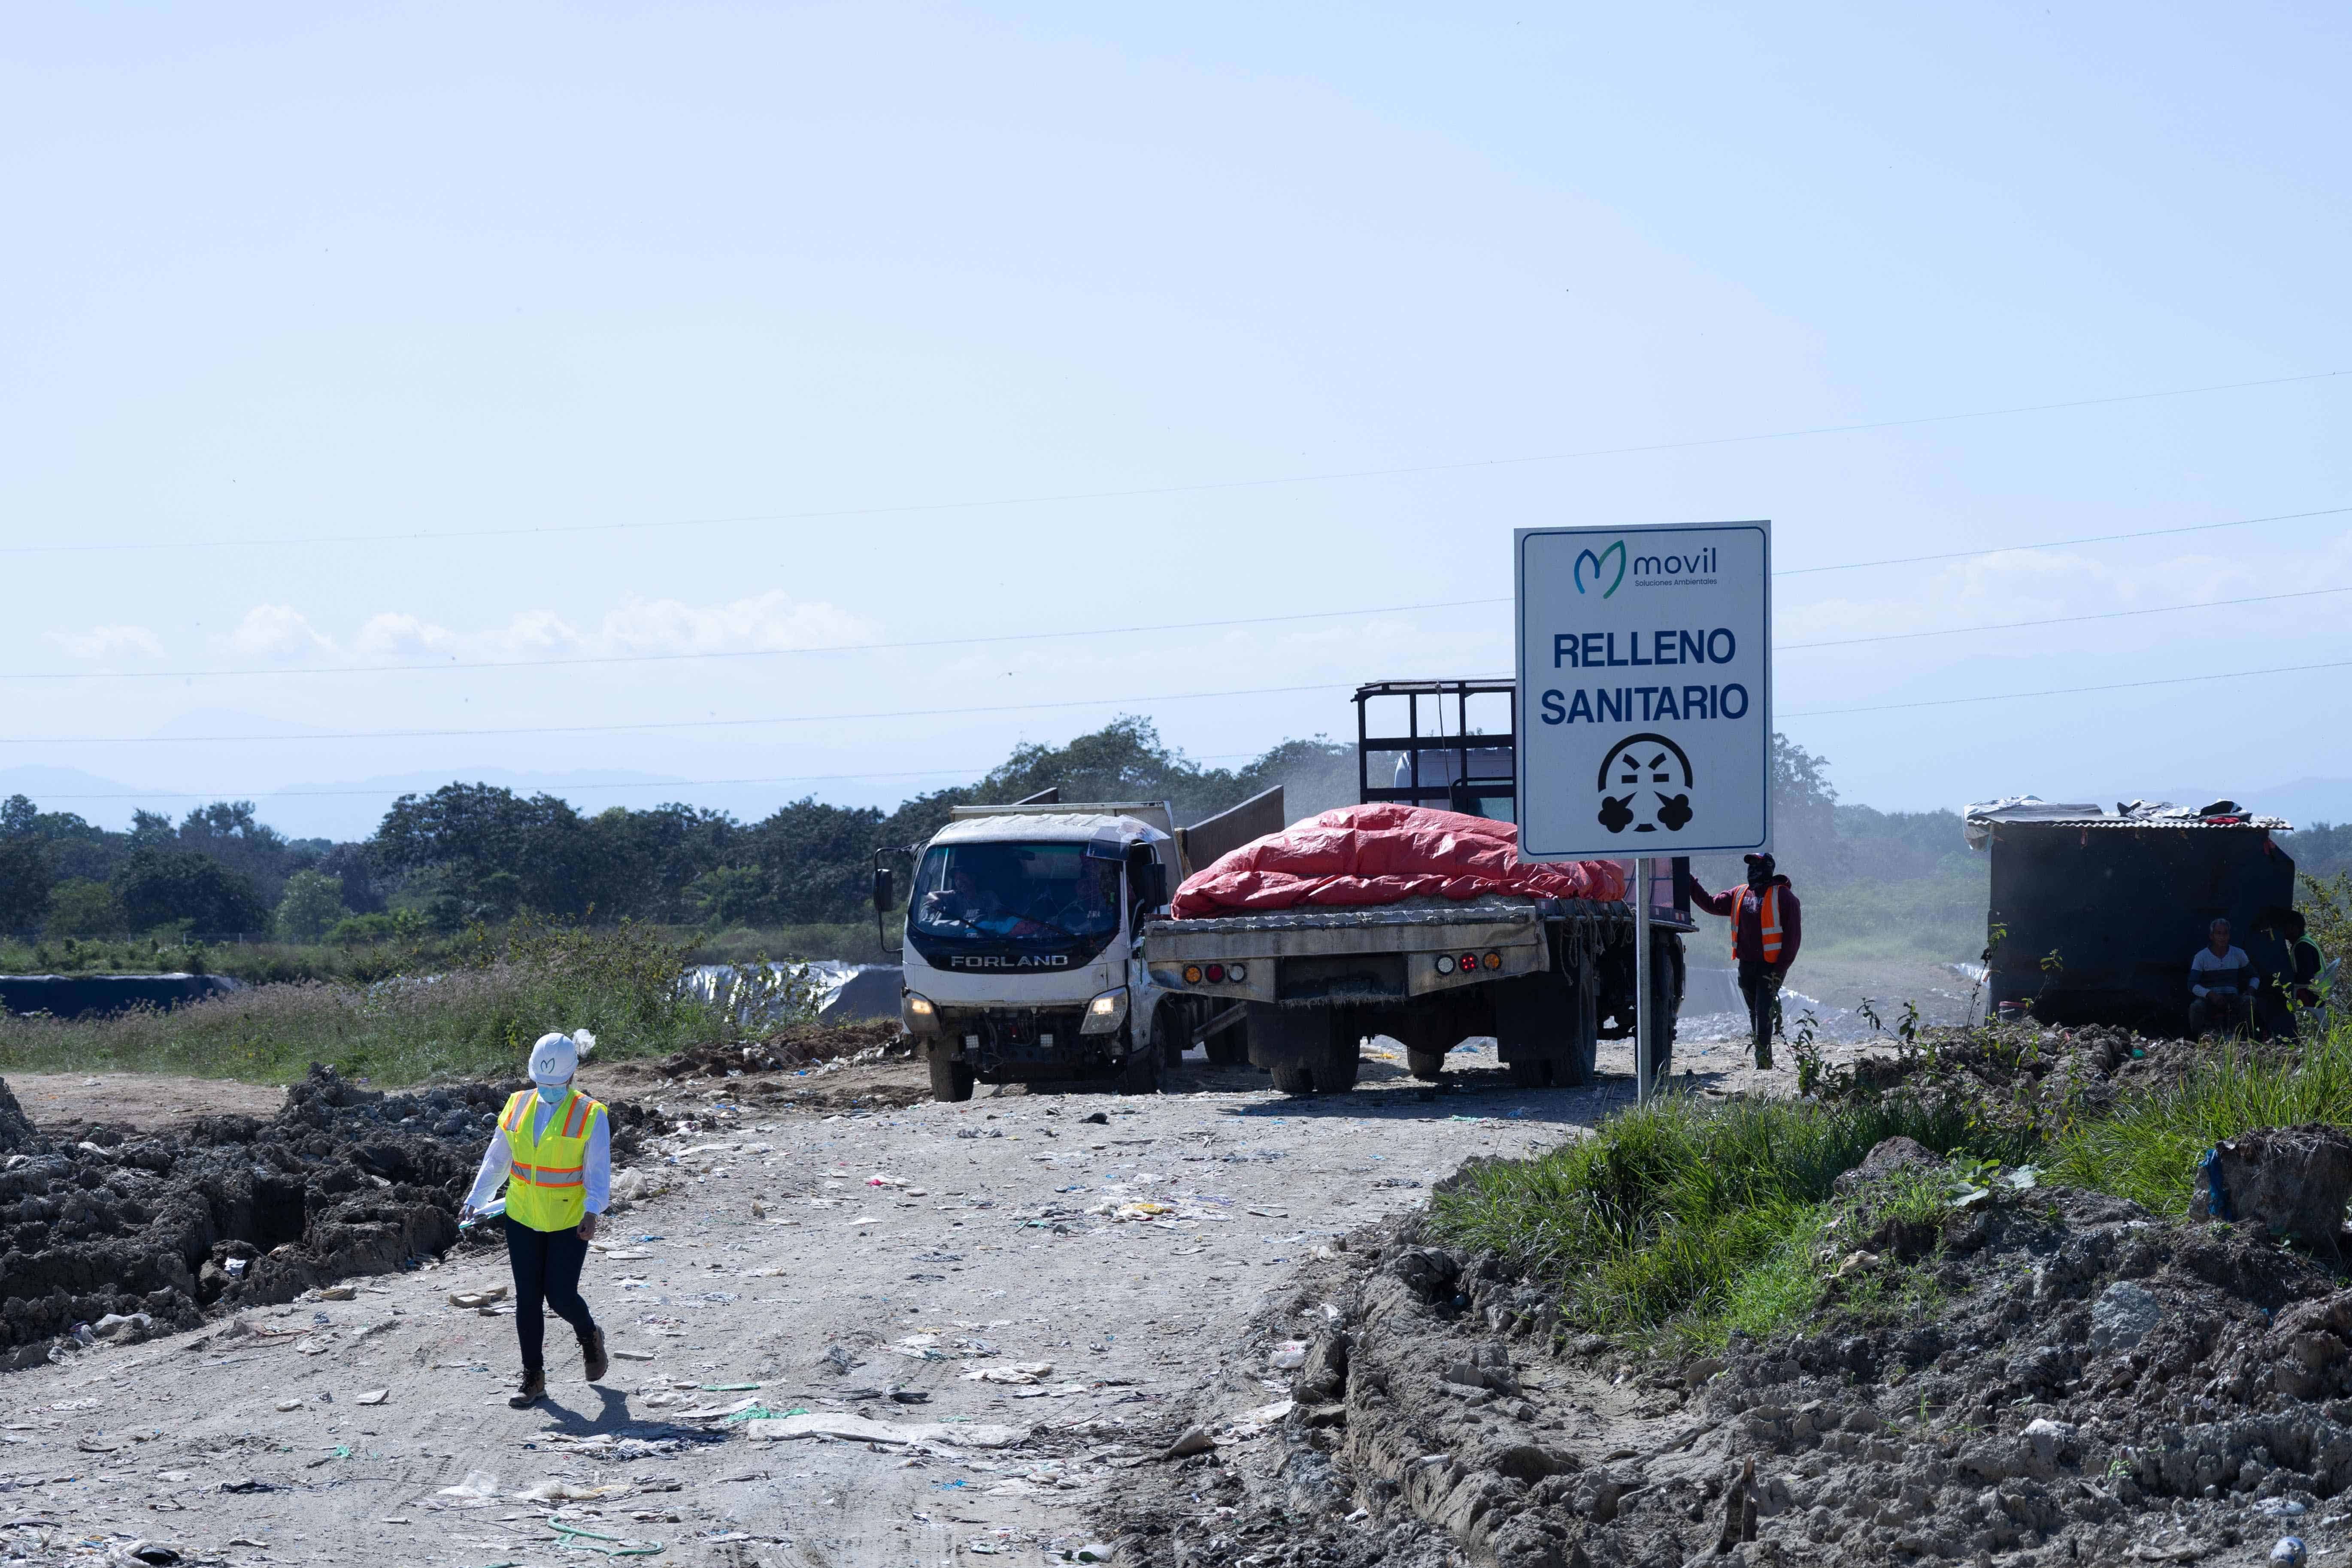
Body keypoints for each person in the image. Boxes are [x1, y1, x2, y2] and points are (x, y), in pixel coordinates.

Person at [461, 1030, 611, 1408]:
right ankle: (534, 1378)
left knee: (560, 1295)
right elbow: (498, 1159)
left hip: (568, 1218)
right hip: (523, 1215)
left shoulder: (590, 1114)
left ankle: (590, 1334)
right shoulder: (516, 1105)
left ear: (572, 1076)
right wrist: (477, 1198)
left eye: (555, 1083)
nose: (548, 1090)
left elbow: (598, 1171)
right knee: (528, 1297)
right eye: (542, 1083)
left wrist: (594, 1209)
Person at [1686, 852, 1801, 1069]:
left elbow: (1793, 939)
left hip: (1772, 967)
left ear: (1769, 868)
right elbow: (1711, 904)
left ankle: (1764, 1063)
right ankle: (1763, 1057)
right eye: (1750, 866)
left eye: (1758, 865)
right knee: (1755, 1012)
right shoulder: (1740, 894)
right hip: (1746, 966)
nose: (1752, 870)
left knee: (1764, 1010)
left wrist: (1780, 969)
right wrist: (1690, 882)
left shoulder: (1785, 898)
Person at [2188, 918, 2258, 1038]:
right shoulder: (2201, 957)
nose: (2222, 937)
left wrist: (2251, 990)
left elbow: (2254, 976)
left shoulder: (2238, 954)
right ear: (2212, 936)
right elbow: (2192, 984)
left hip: (2233, 999)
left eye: (2225, 933)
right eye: (2218, 934)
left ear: (2229, 936)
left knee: (2250, 1002)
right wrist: (2210, 995)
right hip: (2210, 1000)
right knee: (2196, 1008)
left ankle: (2244, 1037)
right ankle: (2201, 1039)